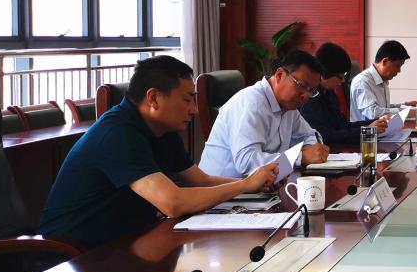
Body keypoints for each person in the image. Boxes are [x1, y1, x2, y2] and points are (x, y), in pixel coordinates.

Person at [37, 56, 278, 249]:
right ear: (153, 98)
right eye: (187, 100)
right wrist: (244, 185)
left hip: (129, 241)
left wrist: (252, 185)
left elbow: (201, 181)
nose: (195, 109)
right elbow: (172, 203)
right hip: (75, 254)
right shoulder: (117, 133)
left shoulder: (163, 129)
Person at [200, 50, 330, 178]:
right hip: (223, 188)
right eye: (301, 85)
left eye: (311, 91)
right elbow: (247, 162)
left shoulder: (289, 107)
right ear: (280, 75)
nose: (305, 95)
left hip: (263, 186)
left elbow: (309, 135)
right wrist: (300, 157)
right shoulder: (252, 104)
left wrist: (310, 150)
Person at [299, 42, 390, 144]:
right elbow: (324, 137)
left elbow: (343, 126)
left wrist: (378, 121)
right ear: (323, 74)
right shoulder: (309, 99)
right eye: (340, 76)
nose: (343, 81)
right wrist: (367, 131)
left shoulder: (330, 94)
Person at [349, 39, 417, 121]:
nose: (399, 71)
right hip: (367, 129)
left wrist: (404, 104)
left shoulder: (382, 80)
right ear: (385, 61)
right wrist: (403, 111)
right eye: (398, 66)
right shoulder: (362, 81)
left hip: (383, 127)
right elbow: (372, 112)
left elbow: (382, 108)